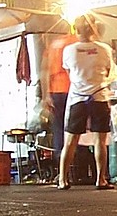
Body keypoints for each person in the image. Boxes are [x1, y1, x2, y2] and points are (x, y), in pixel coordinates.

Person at [57, 14, 117, 190]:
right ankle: (101, 179)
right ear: (94, 29)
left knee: (70, 140)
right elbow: (108, 72)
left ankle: (63, 179)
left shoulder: (69, 50)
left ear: (75, 30)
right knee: (100, 140)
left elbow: (69, 73)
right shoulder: (104, 49)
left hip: (77, 98)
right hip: (99, 97)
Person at [44, 33, 77, 164]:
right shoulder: (75, 41)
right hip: (73, 90)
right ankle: (76, 162)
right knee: (74, 129)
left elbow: (45, 70)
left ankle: (61, 162)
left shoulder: (52, 45)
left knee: (59, 128)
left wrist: (46, 94)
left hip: (56, 91)